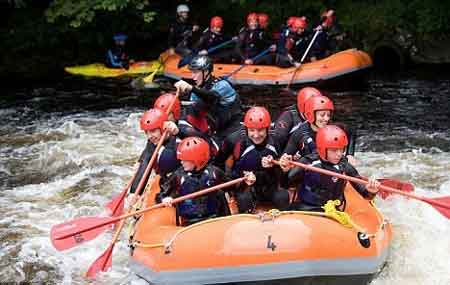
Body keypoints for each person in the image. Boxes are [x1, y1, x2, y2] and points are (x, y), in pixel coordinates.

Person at [279, 125, 379, 211]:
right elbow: (285, 184)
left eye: (341, 149)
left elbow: (365, 195)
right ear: (322, 149)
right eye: (334, 150)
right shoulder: (308, 162)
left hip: (331, 210)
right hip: (305, 207)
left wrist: (371, 191)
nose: (339, 154)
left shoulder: (344, 166)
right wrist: (285, 170)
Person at [159, 137, 256, 225]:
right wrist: (164, 199)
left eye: (185, 160)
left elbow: (234, 187)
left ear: (196, 160)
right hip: (190, 222)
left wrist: (245, 182)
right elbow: (161, 193)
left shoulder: (214, 172)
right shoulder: (178, 176)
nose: (181, 162)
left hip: (215, 218)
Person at [215, 107, 290, 213]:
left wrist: (277, 164)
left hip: (269, 184)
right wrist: (231, 186)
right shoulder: (233, 140)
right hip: (244, 185)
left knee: (283, 197)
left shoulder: (278, 139)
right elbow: (218, 163)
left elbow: (285, 166)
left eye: (260, 130)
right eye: (251, 130)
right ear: (246, 129)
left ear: (267, 129)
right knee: (244, 200)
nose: (256, 135)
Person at [174, 55, 242, 144]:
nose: (193, 76)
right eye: (192, 72)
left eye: (195, 72)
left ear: (206, 72)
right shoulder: (197, 91)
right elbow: (193, 108)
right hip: (216, 132)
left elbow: (211, 98)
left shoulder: (222, 85)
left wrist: (191, 88)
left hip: (233, 130)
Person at [127, 108, 181, 205]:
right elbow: (146, 163)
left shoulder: (179, 139)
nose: (149, 136)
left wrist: (179, 132)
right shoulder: (152, 143)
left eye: (152, 131)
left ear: (163, 128)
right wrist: (135, 192)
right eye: (146, 132)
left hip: (181, 182)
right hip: (166, 181)